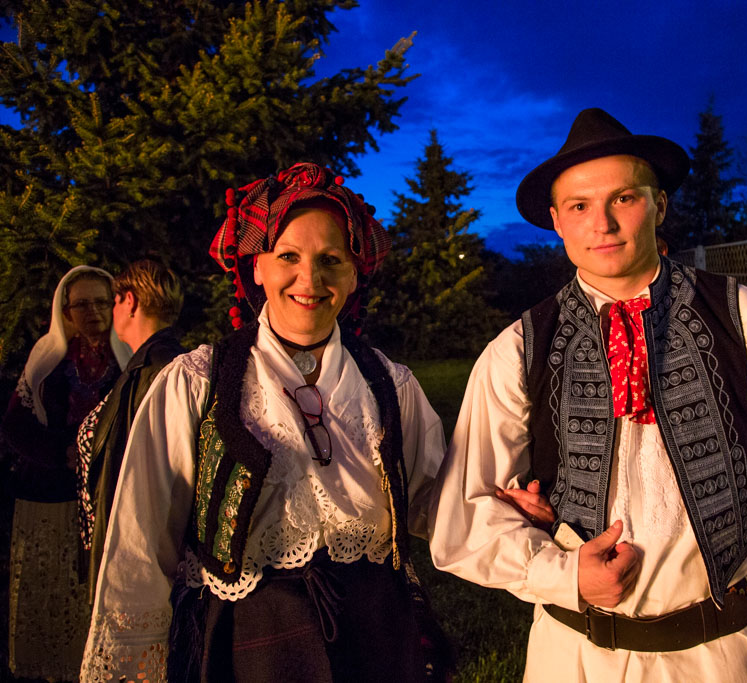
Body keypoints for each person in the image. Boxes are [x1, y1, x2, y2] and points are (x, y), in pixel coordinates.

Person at [429, 108, 747, 681]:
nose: (603, 223)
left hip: (718, 653)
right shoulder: (517, 348)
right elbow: (465, 515)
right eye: (579, 206)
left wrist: (714, 525)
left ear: (659, 205)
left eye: (623, 198)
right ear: (556, 221)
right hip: (574, 656)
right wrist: (563, 572)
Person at [81, 163, 448, 682]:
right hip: (252, 647)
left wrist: (509, 505)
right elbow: (140, 543)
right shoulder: (196, 383)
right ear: (256, 268)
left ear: (353, 274)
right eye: (288, 257)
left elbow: (441, 499)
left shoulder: (390, 384)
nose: (310, 279)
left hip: (378, 641)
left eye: (331, 260)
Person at [1, 265, 130, 680]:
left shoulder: (127, 357)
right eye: (82, 304)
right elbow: (15, 426)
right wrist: (64, 454)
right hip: (49, 497)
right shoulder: (48, 359)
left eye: (101, 302)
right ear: (66, 311)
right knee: (49, 593)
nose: (93, 312)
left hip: (105, 497)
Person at [76, 259, 187, 598]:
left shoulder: (158, 369)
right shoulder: (144, 366)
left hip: (136, 557)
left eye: (113, 301)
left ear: (130, 301)